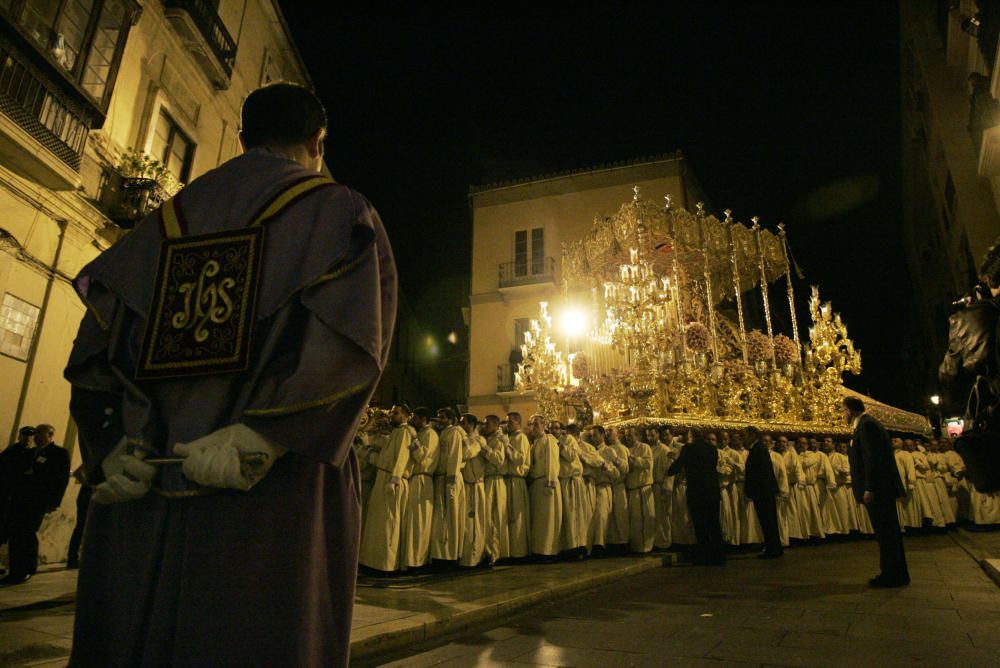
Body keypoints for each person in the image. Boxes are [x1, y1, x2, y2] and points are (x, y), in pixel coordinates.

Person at [64, 83, 396, 666]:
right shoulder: (339, 212)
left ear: (240, 140)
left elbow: (96, 346)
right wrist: (266, 434)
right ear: (319, 143)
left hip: (146, 484)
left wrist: (111, 445)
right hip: (269, 499)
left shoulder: (160, 222)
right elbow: (352, 343)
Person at [844, 397, 909, 587]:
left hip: (878, 490)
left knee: (886, 532)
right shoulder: (866, 424)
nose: (843, 415)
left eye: (843, 410)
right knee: (887, 533)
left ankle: (892, 574)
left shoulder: (867, 426)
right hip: (879, 489)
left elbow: (871, 459)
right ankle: (895, 572)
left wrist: (869, 488)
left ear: (850, 410)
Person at [2, 424, 70, 584]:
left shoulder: (59, 453)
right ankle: (15, 569)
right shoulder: (31, 452)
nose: (36, 436)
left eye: (40, 433)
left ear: (50, 434)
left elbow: (61, 480)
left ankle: (27, 568)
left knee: (27, 532)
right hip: (20, 499)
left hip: (38, 500)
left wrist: (54, 501)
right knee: (15, 532)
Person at [360, 404, 414, 572]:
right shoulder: (396, 433)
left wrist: (395, 478)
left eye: (396, 413)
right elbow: (387, 458)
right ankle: (375, 562)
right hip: (383, 477)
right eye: (392, 412)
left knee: (388, 523)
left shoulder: (405, 433)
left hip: (391, 480)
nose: (392, 415)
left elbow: (401, 457)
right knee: (377, 523)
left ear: (405, 416)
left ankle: (386, 564)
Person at [669, 430, 724, 565]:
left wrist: (672, 464)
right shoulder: (712, 449)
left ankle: (705, 556)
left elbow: (677, 467)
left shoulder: (688, 448)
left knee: (701, 526)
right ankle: (719, 556)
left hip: (697, 491)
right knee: (714, 524)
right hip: (712, 491)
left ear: (691, 437)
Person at [402, 407, 439, 569]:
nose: (412, 421)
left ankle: (417, 561)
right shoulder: (422, 434)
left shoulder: (430, 435)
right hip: (415, 480)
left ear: (423, 419)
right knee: (412, 521)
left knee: (419, 521)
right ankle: (410, 558)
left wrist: (413, 440)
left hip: (423, 479)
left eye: (415, 418)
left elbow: (421, 457)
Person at [431, 408, 466, 564]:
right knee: (441, 518)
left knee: (450, 517)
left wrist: (450, 484)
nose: (440, 420)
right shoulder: (443, 433)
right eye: (439, 417)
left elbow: (454, 457)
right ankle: (440, 553)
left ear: (452, 420)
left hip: (449, 478)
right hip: (441, 478)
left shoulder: (454, 433)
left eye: (443, 418)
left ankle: (450, 555)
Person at [743, 426, 782, 558]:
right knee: (768, 520)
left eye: (746, 435)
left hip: (763, 491)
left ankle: (772, 549)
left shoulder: (758, 449)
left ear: (753, 435)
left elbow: (758, 472)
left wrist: (751, 489)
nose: (745, 438)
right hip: (764, 490)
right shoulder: (758, 448)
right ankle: (773, 547)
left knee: (767, 521)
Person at [526, 415, 561, 561]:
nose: (533, 428)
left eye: (536, 425)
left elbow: (552, 463)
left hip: (546, 483)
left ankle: (547, 551)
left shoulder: (549, 440)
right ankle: (538, 549)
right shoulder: (534, 443)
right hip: (536, 483)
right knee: (539, 519)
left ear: (543, 425)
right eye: (531, 425)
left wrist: (550, 482)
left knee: (547, 519)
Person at [554, 422, 588, 558]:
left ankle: (578, 546)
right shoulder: (553, 441)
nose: (553, 430)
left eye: (556, 428)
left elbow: (572, 455)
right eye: (551, 428)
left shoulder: (567, 440)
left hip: (572, 480)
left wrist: (561, 447)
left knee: (575, 514)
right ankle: (569, 546)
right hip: (564, 481)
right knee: (567, 516)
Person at [0, 427, 35, 553]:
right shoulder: (12, 452)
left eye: (31, 435)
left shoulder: (32, 453)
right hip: (7, 494)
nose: (28, 438)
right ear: (19, 436)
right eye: (25, 435)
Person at [459, 414, 487, 567]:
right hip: (466, 485)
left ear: (471, 425)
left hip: (476, 485)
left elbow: (467, 453)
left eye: (463, 422)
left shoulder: (479, 440)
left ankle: (474, 557)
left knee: (475, 523)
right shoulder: (465, 438)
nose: (460, 424)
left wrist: (462, 440)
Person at [503, 412, 531, 559]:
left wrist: (507, 447)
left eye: (510, 422)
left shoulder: (521, 438)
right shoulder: (511, 437)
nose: (507, 425)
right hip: (508, 481)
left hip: (516, 480)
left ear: (518, 423)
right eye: (507, 422)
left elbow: (519, 459)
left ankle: (519, 552)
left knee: (516, 517)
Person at [480, 415, 508, 564]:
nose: (485, 427)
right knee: (486, 517)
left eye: (488, 424)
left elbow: (498, 460)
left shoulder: (499, 441)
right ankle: (487, 550)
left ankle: (494, 553)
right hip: (487, 480)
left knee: (495, 516)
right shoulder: (489, 439)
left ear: (497, 426)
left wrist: (486, 450)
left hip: (496, 480)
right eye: (484, 424)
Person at [623, 427, 655, 554]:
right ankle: (636, 546)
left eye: (630, 435)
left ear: (636, 436)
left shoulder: (644, 447)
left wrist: (635, 460)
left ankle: (647, 546)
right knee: (635, 519)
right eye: (626, 435)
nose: (627, 438)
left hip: (644, 487)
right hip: (632, 489)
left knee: (647, 517)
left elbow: (648, 463)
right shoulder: (626, 450)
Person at [650, 427, 675, 550]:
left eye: (652, 435)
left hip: (661, 484)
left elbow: (669, 470)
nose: (650, 438)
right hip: (652, 485)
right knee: (655, 515)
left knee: (663, 515)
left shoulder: (665, 450)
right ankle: (656, 541)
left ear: (658, 435)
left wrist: (667, 486)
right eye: (648, 435)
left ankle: (665, 541)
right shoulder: (649, 449)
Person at [67, 465, 92, 569]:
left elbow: (77, 472)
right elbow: (77, 472)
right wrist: (91, 485)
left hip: (86, 494)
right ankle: (74, 558)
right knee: (83, 526)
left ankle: (73, 557)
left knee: (81, 527)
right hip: (89, 495)